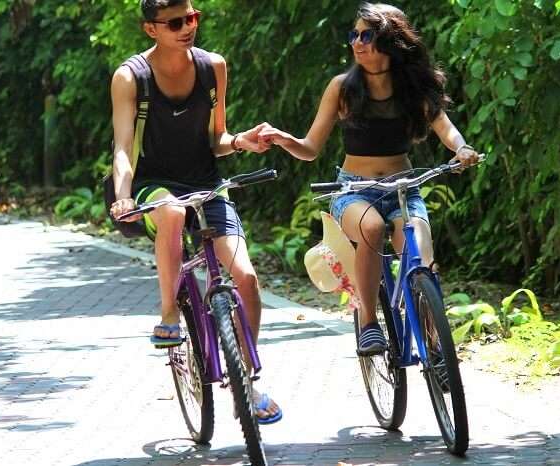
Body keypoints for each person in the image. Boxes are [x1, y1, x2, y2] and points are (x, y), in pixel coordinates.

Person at [259, 2, 479, 354]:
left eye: (367, 35)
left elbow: (444, 127)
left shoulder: (412, 88)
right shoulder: (342, 88)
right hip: (354, 191)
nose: (357, 43)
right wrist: (286, 140)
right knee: (373, 228)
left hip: (404, 190)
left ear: (390, 42)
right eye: (354, 35)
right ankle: (367, 321)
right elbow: (311, 147)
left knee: (422, 262)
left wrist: (462, 148)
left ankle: (435, 348)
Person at [108, 0, 280, 423]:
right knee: (169, 212)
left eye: (193, 18)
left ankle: (248, 382)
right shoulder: (131, 77)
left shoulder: (212, 67)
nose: (188, 27)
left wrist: (243, 141)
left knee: (247, 278)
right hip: (153, 187)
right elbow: (123, 149)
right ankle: (169, 312)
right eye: (175, 22)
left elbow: (217, 137)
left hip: (206, 185)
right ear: (152, 30)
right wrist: (124, 195)